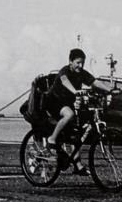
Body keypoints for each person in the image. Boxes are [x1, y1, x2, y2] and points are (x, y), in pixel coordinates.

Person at [43, 47, 111, 175]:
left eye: (82, 63)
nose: (80, 65)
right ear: (70, 61)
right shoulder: (65, 71)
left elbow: (94, 82)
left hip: (67, 103)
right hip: (53, 102)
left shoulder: (82, 73)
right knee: (69, 114)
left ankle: (78, 166)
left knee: (77, 132)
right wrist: (75, 91)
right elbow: (65, 81)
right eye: (78, 62)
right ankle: (51, 139)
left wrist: (109, 89)